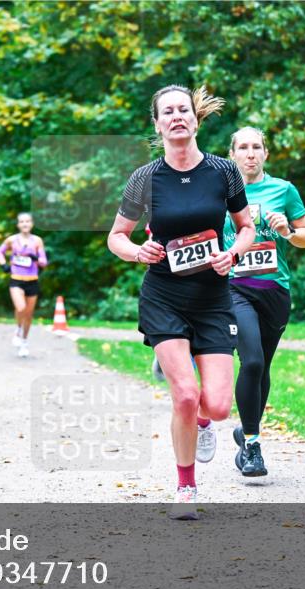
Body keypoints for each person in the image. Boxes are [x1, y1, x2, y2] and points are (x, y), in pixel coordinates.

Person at [107, 85, 255, 519]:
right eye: (167, 112)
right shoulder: (146, 178)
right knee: (186, 396)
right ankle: (186, 488)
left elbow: (245, 226)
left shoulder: (223, 171)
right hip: (164, 296)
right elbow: (117, 236)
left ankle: (204, 422)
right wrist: (138, 251)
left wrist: (233, 253)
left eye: (183, 110)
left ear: (195, 118)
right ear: (157, 124)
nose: (176, 117)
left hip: (212, 297)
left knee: (217, 406)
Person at [224, 126, 305, 477]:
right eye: (243, 147)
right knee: (251, 363)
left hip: (275, 292)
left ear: (265, 153)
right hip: (235, 288)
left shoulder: (283, 190)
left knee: (263, 366)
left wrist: (288, 233)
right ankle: (252, 446)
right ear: (232, 154)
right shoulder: (220, 192)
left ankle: (246, 427)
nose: (250, 153)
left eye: (256, 147)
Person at [0, 212, 48, 358]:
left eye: (27, 221)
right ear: (18, 224)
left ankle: (24, 341)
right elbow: (0, 252)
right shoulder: (12, 240)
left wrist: (36, 258)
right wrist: (3, 265)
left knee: (29, 315)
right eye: (22, 222)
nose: (25, 224)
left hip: (32, 280)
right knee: (21, 308)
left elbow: (44, 261)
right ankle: (18, 329)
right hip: (16, 279)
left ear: (31, 224)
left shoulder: (37, 241)